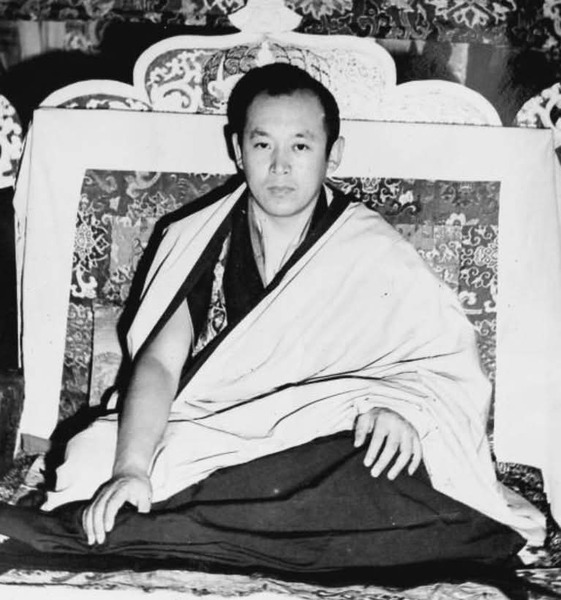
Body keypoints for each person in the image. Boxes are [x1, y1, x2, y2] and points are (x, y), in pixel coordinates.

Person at [0, 63, 545, 573]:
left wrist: (402, 412)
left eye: (301, 146)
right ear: (238, 150)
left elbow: (442, 372)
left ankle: (168, 529)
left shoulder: (372, 249)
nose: (280, 166)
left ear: (333, 153)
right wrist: (131, 468)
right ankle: (202, 526)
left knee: (378, 464)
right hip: (214, 433)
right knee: (92, 457)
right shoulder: (195, 238)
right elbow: (161, 364)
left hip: (323, 439)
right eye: (263, 144)